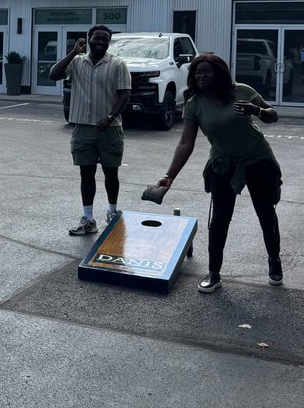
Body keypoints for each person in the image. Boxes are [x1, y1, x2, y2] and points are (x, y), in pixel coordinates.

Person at [155, 53, 283, 293]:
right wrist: (169, 176)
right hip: (223, 163)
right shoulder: (194, 104)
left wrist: (256, 110)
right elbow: (185, 143)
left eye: (207, 72)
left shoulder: (242, 91)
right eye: (196, 72)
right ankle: (214, 272)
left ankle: (274, 259)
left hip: (258, 160)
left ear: (220, 74)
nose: (201, 76)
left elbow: (272, 116)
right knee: (219, 220)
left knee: (266, 214)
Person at [49, 25, 132, 236]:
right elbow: (53, 74)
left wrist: (111, 116)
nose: (101, 42)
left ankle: (112, 212)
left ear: (109, 42)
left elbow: (124, 95)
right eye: (97, 38)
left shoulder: (117, 64)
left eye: (105, 39)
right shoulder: (77, 62)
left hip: (110, 129)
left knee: (111, 172)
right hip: (82, 128)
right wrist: (73, 52)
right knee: (86, 174)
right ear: (88, 39)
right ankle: (88, 219)